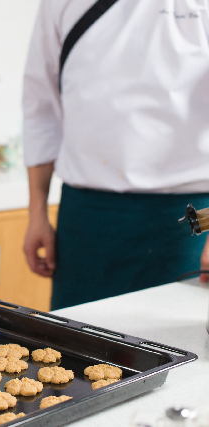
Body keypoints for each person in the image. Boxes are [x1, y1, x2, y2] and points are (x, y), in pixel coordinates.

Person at [22, 0, 209, 310]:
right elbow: (39, 107)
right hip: (86, 220)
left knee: (186, 351)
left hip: (192, 221)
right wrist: (37, 212)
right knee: (75, 347)